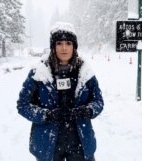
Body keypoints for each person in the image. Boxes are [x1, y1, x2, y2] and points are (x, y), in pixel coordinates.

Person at [17, 22, 104, 161]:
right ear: (53, 46)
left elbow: (98, 101)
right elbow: (23, 105)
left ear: (74, 46)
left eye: (68, 43)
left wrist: (87, 110)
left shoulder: (85, 71)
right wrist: (46, 115)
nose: (64, 48)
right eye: (59, 43)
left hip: (80, 142)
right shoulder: (38, 72)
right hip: (47, 143)